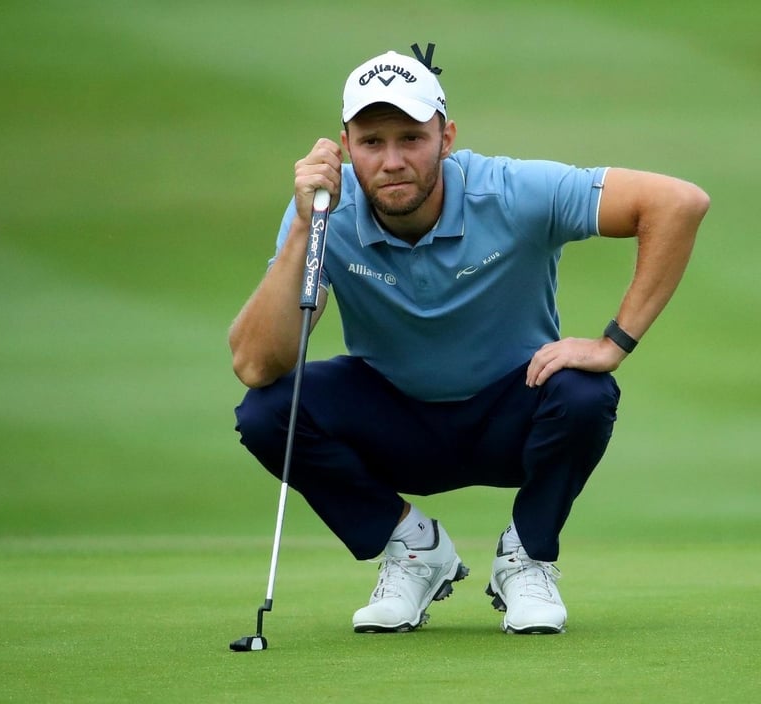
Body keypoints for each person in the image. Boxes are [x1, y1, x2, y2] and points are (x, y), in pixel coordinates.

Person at [228, 48, 709, 635]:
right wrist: (305, 227)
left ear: (446, 137)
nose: (393, 160)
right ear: (345, 145)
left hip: (511, 414)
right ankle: (411, 548)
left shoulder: (509, 191)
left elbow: (678, 202)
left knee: (585, 391)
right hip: (395, 419)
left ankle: (527, 557)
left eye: (411, 138)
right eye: (372, 141)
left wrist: (613, 343)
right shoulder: (324, 213)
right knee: (268, 411)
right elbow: (257, 363)